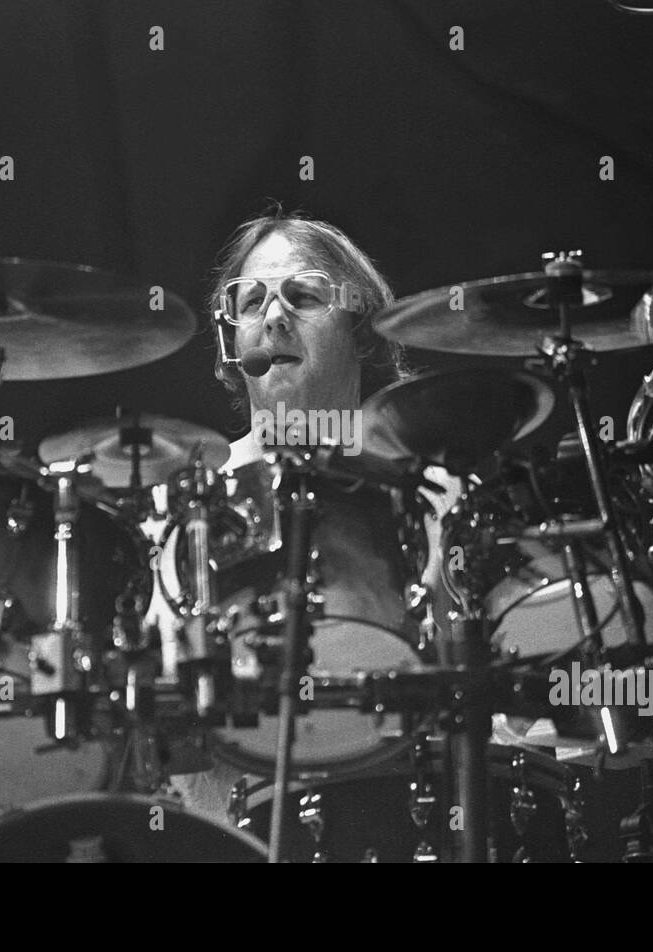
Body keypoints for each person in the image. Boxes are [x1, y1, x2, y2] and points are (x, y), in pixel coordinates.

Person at [155, 209, 459, 822]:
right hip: (236, 829)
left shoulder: (434, 485)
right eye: (251, 302)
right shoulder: (189, 496)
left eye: (302, 296)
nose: (272, 317)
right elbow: (163, 706)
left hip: (410, 817)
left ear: (362, 330)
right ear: (229, 340)